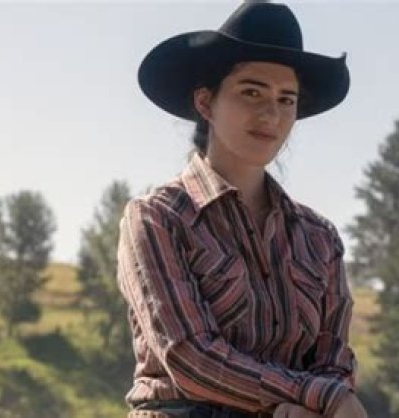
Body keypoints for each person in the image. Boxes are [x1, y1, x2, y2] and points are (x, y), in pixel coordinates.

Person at [117, 3, 367, 418]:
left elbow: (334, 359)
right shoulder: (157, 218)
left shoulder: (320, 239)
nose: (271, 114)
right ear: (205, 102)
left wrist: (315, 403)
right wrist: (318, 397)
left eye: (286, 99)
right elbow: (189, 357)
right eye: (251, 92)